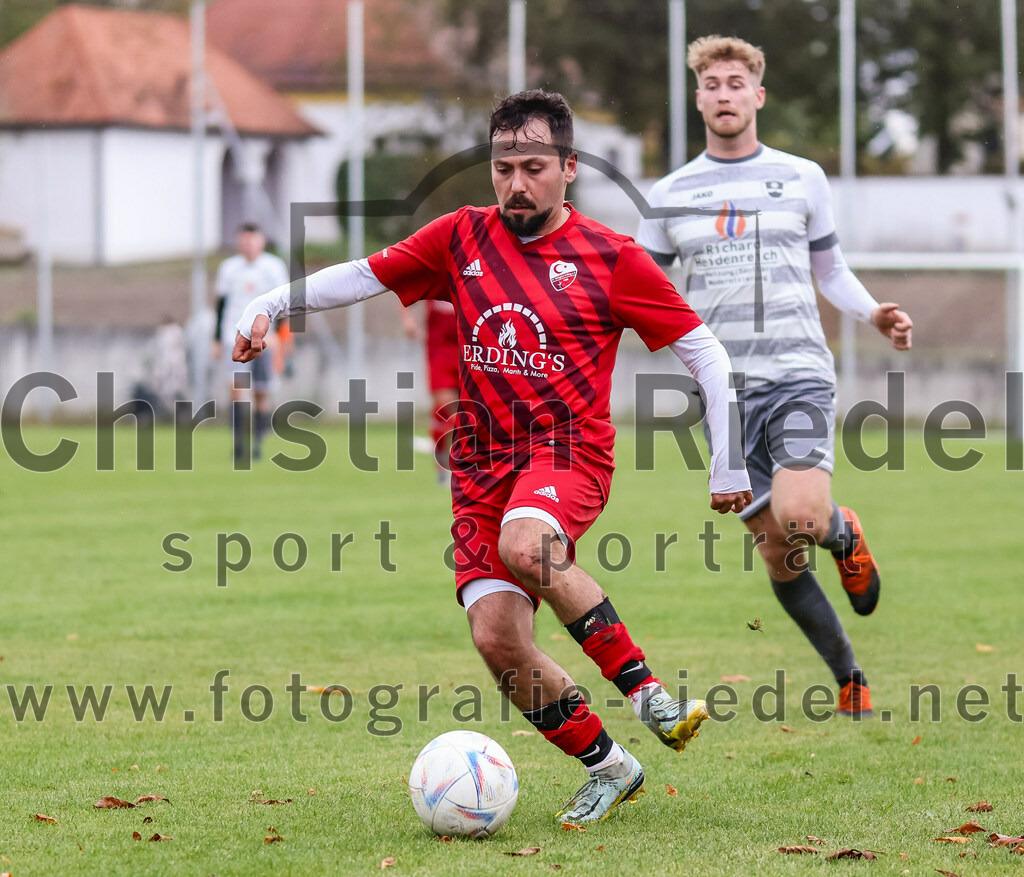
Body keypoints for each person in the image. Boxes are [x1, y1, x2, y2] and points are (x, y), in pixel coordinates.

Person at [234, 90, 752, 824]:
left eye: (533, 166)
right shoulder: (462, 238)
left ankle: (652, 699)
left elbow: (704, 351)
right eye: (504, 166)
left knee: (527, 543)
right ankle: (611, 765)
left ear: (568, 168)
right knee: (498, 638)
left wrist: (726, 462)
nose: (515, 182)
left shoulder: (613, 258)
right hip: (480, 466)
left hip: (566, 453)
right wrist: (272, 305)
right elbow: (365, 272)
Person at [637, 36, 913, 719]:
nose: (725, 94)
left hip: (796, 374)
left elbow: (829, 270)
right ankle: (849, 674)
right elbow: (639, 287)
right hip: (722, 397)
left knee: (802, 516)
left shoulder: (801, 177)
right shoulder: (669, 194)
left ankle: (842, 530)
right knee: (781, 555)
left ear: (758, 95)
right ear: (698, 97)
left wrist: (872, 309)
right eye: (713, 84)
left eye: (737, 82)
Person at [212, 222, 290, 462]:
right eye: (243, 239)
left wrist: (281, 338)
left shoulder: (273, 267)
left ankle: (257, 443)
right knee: (237, 388)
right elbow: (221, 305)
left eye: (252, 239)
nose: (247, 244)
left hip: (266, 340)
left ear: (261, 241)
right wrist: (216, 339)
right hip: (233, 338)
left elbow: (284, 305)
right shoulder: (229, 268)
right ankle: (238, 444)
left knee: (261, 390)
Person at [399, 298, 460, 483]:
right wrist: (408, 320)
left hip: (470, 349)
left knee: (469, 411)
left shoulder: (474, 275)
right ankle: (441, 461)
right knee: (444, 408)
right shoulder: (436, 272)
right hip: (439, 350)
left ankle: (462, 463)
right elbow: (404, 287)